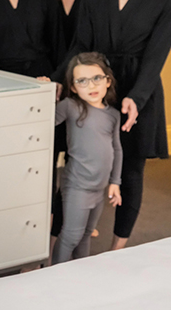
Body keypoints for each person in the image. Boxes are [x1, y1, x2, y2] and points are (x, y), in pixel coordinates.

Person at [53, 0, 171, 251]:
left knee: (131, 170)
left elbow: (156, 55)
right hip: (95, 88)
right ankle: (56, 244)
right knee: (77, 163)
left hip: (139, 87)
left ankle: (117, 250)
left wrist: (136, 98)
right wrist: (57, 81)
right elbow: (80, 44)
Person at [52, 52, 122, 264]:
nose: (91, 86)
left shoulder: (113, 115)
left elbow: (116, 149)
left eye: (96, 78)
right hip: (77, 185)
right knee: (71, 236)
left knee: (86, 235)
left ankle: (81, 273)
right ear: (73, 87)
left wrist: (115, 182)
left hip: (99, 188)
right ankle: (55, 274)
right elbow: (44, 120)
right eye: (82, 81)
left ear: (107, 81)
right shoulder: (70, 106)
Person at [47, 0, 92, 259]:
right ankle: (49, 230)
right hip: (51, 85)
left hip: (79, 88)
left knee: (76, 162)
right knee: (49, 162)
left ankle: (72, 225)